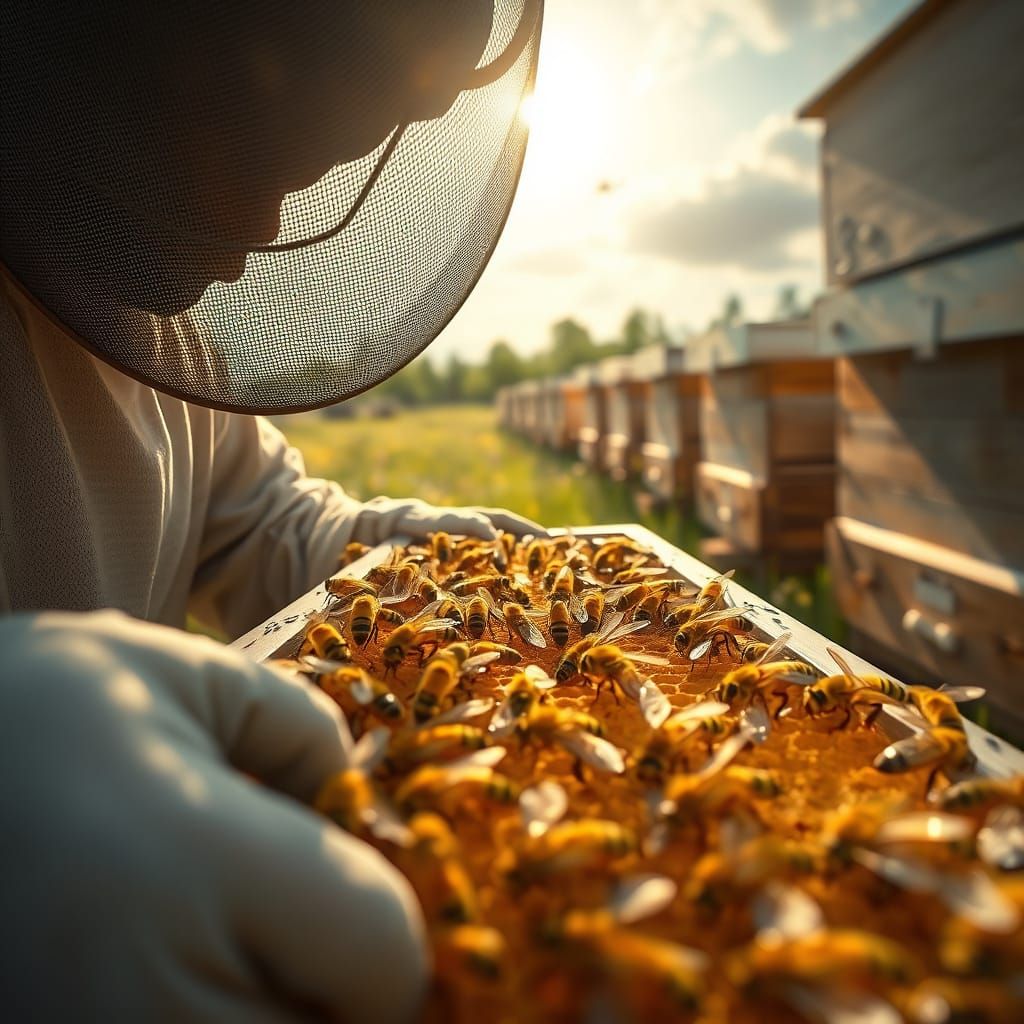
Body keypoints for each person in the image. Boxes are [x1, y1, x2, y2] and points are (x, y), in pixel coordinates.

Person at [0, 2, 543, 1020]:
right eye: (233, 137)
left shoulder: (173, 361)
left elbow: (265, 524)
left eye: (307, 175)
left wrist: (421, 562)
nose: (260, 225)